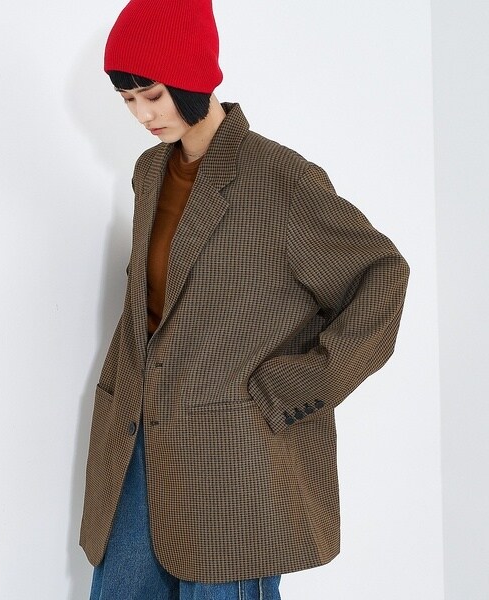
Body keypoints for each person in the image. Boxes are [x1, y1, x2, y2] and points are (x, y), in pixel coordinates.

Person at [80, 0, 410, 598]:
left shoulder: (279, 178)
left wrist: (299, 384)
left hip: (234, 460)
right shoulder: (149, 172)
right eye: (127, 99)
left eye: (152, 94)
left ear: (191, 78)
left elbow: (381, 274)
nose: (142, 114)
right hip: (137, 442)